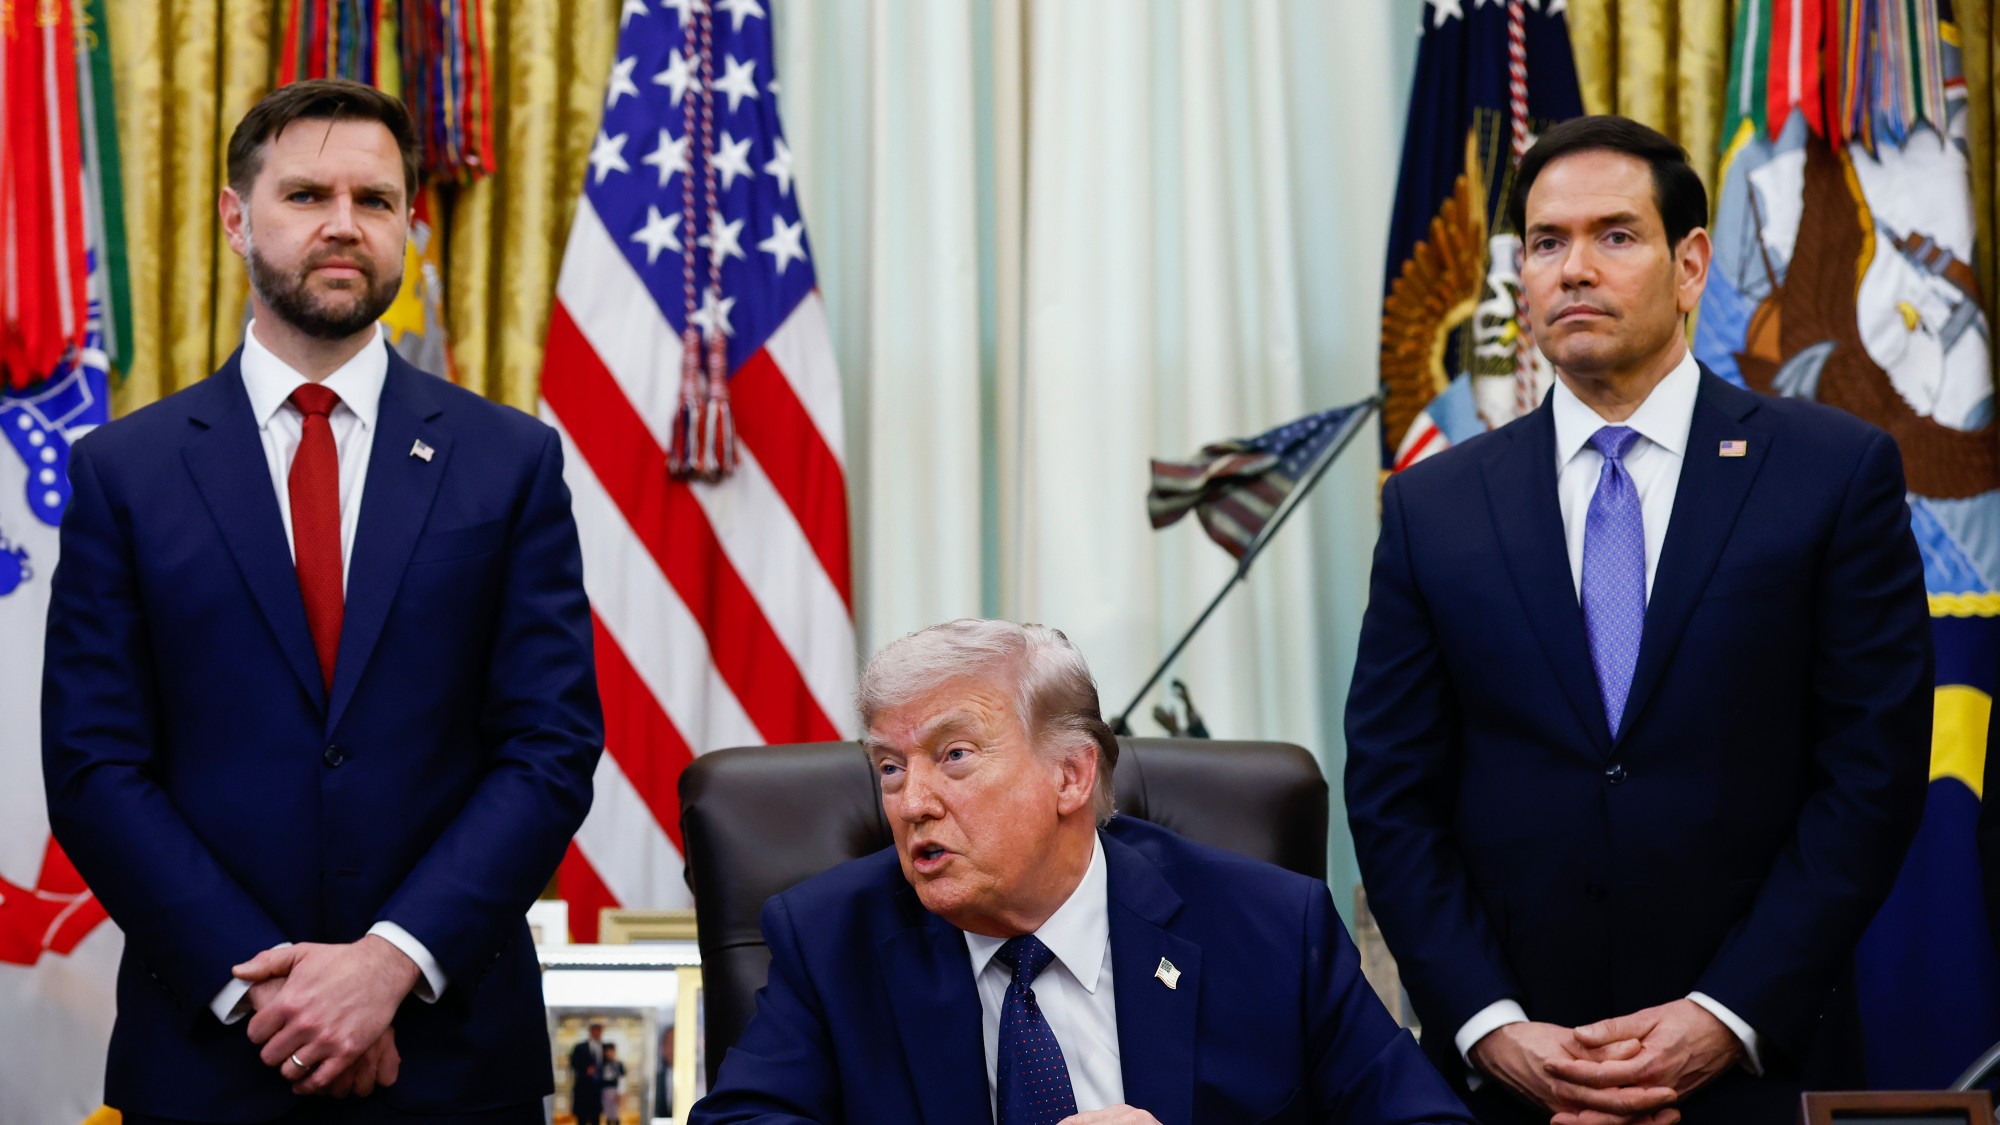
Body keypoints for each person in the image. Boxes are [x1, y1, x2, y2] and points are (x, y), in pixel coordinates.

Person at [1345, 115, 1933, 1125]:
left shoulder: (1832, 474)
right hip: (1513, 1084)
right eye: (1545, 242)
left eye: (1613, 235)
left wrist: (1723, 1015)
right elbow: (1392, 794)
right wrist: (1490, 1026)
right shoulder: (1430, 506)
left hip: (1757, 1071)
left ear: (1690, 264)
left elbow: (1870, 775)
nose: (1573, 268)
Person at [40, 77, 602, 1123]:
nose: (344, 224)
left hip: (449, 1059)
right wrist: (270, 991)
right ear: (234, 216)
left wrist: (388, 962)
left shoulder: (509, 461)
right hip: (210, 1059)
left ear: (407, 226)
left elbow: (549, 746)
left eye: (375, 199)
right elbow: (93, 767)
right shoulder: (125, 472)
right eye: (306, 194)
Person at [693, 619, 1477, 1125]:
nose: (911, 802)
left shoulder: (1270, 925)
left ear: (1070, 775)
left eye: (954, 755)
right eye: (891, 767)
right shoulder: (831, 939)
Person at [572, 1024, 607, 1125]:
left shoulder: (604, 1047)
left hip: (597, 1089)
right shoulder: (580, 1047)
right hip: (583, 1087)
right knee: (582, 1118)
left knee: (595, 1117)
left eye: (599, 1031)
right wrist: (585, 1070)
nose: (597, 1033)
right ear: (591, 1032)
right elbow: (573, 1063)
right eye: (595, 1031)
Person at [600, 1043, 626, 1123]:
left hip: (614, 1090)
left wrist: (619, 1093)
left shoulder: (618, 1064)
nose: (609, 1053)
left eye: (611, 1051)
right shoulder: (602, 1064)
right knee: (607, 1113)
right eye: (607, 1051)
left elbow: (621, 1080)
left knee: (615, 1113)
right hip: (604, 1090)